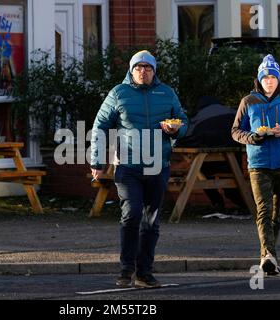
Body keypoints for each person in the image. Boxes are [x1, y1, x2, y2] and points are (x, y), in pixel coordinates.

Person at [90, 50, 188, 288]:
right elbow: (99, 126)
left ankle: (144, 273)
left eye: (148, 68)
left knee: (151, 221)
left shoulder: (166, 93)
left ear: (154, 72)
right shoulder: (118, 93)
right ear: (131, 71)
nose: (143, 72)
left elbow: (183, 121)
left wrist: (177, 130)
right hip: (128, 166)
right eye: (139, 68)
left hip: (158, 166)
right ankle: (126, 270)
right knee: (132, 213)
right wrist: (96, 161)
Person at [232, 54, 280, 275]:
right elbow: (236, 132)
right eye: (265, 77)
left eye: (273, 77)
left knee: (277, 213)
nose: (269, 81)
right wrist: (253, 137)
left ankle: (268, 253)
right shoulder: (249, 101)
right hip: (258, 163)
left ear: (278, 79)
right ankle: (269, 256)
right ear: (259, 80)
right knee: (263, 210)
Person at [176, 96, 247, 213]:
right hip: (232, 162)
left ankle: (217, 201)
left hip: (208, 164)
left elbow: (186, 138)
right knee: (233, 181)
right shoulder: (232, 113)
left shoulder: (197, 119)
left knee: (199, 173)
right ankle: (242, 203)